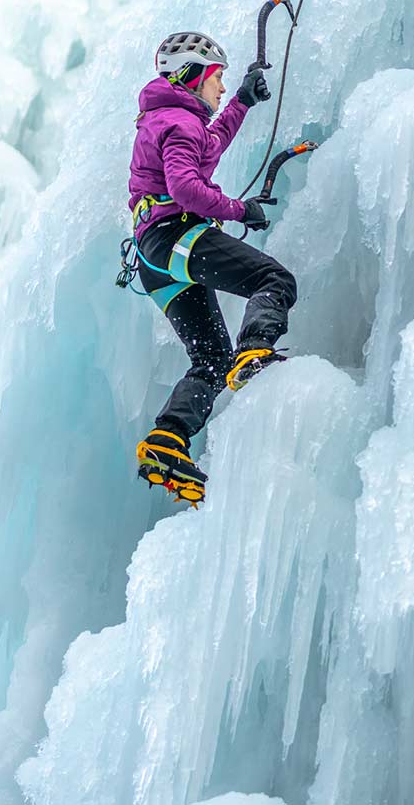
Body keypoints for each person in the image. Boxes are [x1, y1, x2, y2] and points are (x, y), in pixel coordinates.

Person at [126, 31, 296, 506]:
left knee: (210, 359)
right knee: (274, 280)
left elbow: (208, 146)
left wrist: (242, 102)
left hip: (154, 260)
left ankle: (167, 440)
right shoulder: (178, 124)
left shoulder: (170, 119)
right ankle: (255, 349)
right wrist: (239, 210)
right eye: (219, 79)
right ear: (194, 76)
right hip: (174, 235)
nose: (221, 88)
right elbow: (185, 188)